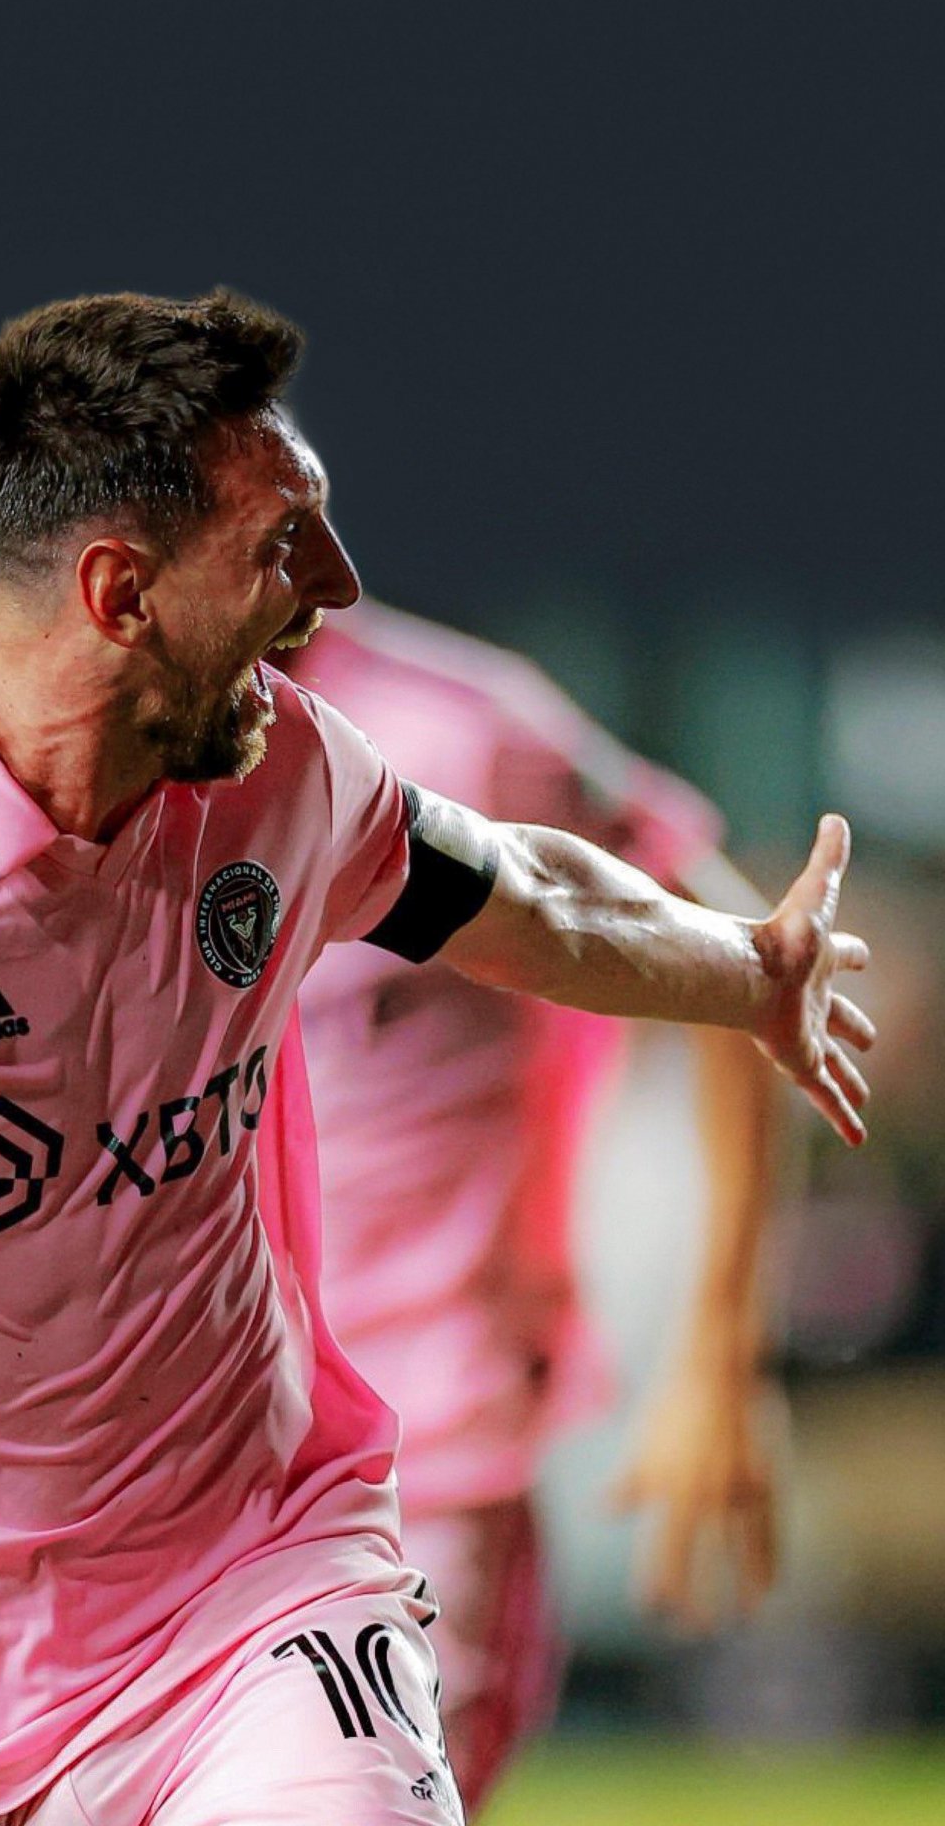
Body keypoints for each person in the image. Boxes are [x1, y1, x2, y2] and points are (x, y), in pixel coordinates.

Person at [0, 291, 872, 1826]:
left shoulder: (285, 772)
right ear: (120, 593)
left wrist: (751, 972)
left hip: (254, 1594)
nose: (338, 585)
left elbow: (535, 895)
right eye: (284, 544)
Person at [285, 600, 783, 1809]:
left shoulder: (462, 733)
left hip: (423, 1454)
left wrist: (720, 1359)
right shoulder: (86, 758)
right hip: (168, 1465)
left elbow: (744, 961)